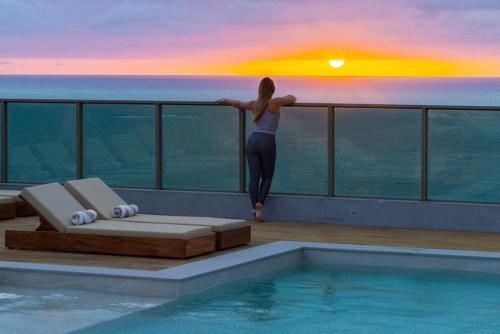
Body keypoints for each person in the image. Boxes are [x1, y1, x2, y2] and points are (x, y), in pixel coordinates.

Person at [216, 77, 296, 222]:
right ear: (272, 89)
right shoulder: (275, 103)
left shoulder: (254, 104)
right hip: (268, 141)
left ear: (259, 89)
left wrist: (226, 99)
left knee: (254, 177)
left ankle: (254, 208)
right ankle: (260, 204)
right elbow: (292, 98)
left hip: (253, 140)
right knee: (267, 176)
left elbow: (239, 104)